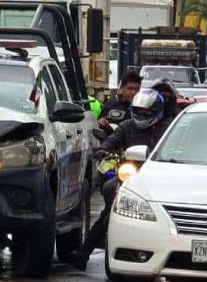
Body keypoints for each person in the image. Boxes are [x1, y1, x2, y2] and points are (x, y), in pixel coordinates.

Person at [73, 88, 174, 272]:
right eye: (139, 111)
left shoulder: (166, 129)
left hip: (157, 180)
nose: (142, 115)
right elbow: (112, 140)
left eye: (147, 112)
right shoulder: (127, 126)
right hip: (129, 177)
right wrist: (102, 150)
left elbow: (176, 148)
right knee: (109, 198)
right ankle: (83, 254)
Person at [97, 70, 141, 136]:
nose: (133, 92)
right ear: (122, 88)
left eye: (137, 89)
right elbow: (99, 125)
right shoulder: (110, 104)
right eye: (130, 88)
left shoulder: (142, 109)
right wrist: (102, 123)